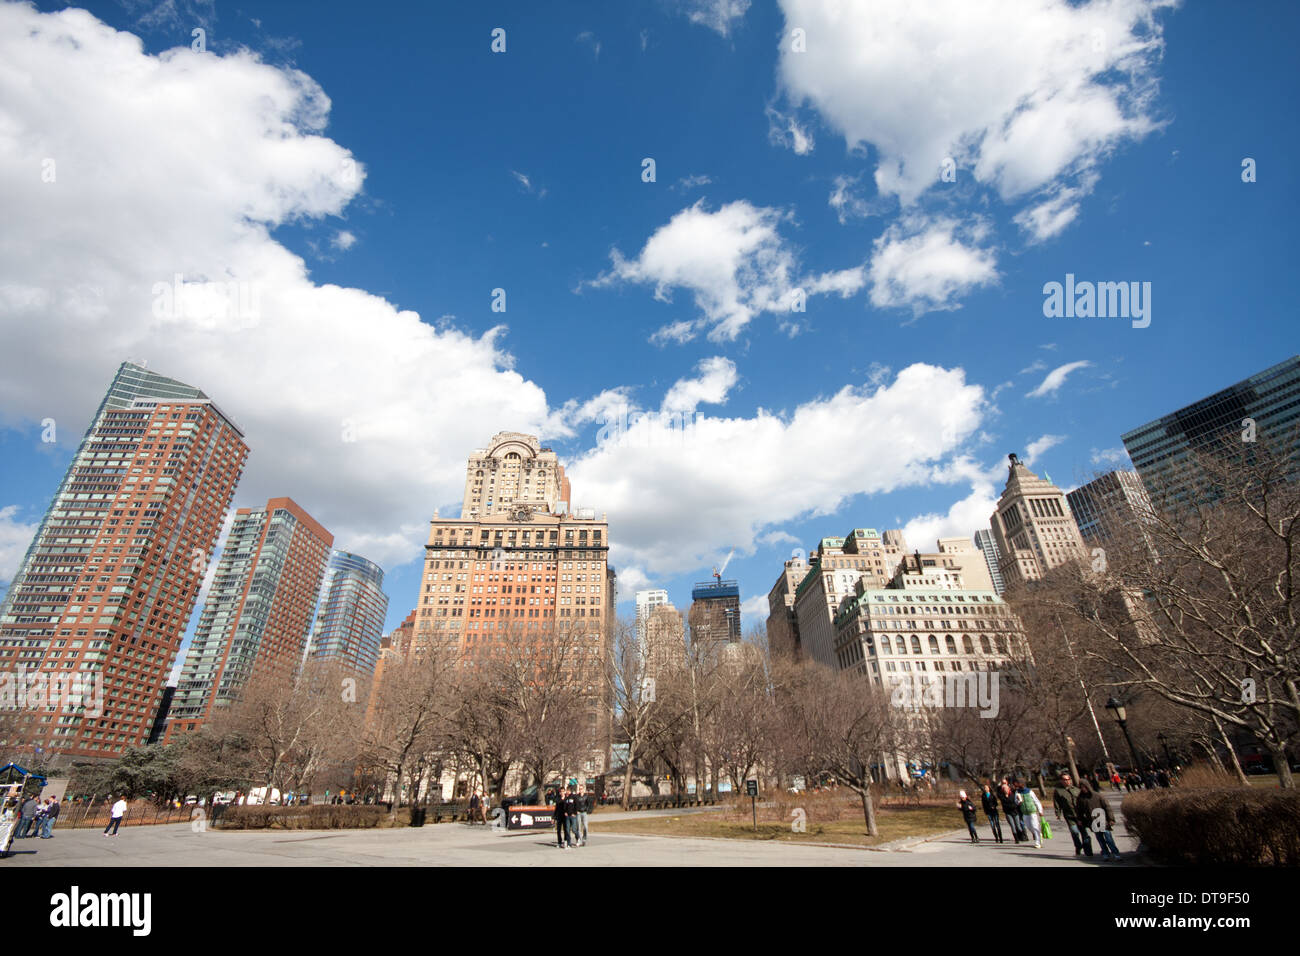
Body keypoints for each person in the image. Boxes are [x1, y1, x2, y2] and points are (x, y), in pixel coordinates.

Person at [1075, 781, 1120, 860]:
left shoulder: (1098, 796)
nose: (1083, 789)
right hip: (1093, 822)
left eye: (1085, 787)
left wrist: (1111, 819)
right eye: (1081, 787)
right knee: (1100, 840)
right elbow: (1079, 811)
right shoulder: (1081, 798)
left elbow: (1107, 807)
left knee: (1108, 839)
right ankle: (1105, 853)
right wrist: (1080, 819)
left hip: (1103, 821)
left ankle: (1115, 853)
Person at [1052, 772, 1091, 857]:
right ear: (1061, 781)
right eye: (1065, 780)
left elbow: (1084, 801)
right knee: (1074, 832)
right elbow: (1056, 803)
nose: (1067, 781)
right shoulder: (1058, 791)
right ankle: (1078, 846)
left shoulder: (1076, 789)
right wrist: (1058, 813)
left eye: (1068, 779)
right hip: (1069, 815)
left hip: (1080, 815)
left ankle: (1088, 850)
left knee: (1084, 833)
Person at [1016, 779, 1043, 849]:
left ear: (1022, 784)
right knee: (1029, 827)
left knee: (1035, 826)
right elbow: (1016, 802)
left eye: (1019, 783)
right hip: (1024, 812)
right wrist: (1019, 801)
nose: (1017, 785)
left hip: (1032, 811)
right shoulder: (1017, 792)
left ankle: (1038, 842)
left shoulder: (1030, 791)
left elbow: (1036, 801)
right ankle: (1037, 834)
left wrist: (1040, 810)